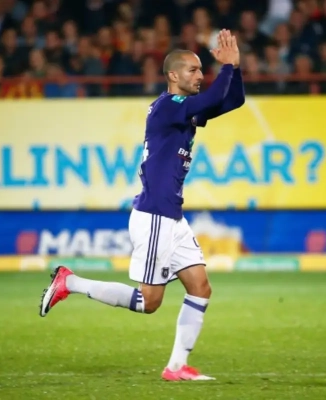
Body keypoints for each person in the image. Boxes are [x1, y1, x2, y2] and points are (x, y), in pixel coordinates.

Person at [38, 29, 244, 381]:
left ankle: (176, 368)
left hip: (172, 217)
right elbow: (213, 97)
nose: (200, 75)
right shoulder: (168, 107)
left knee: (200, 287)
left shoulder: (184, 111)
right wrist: (225, 68)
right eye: (193, 70)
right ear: (173, 75)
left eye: (201, 70)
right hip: (154, 217)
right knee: (149, 302)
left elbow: (232, 100)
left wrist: (235, 68)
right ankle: (69, 283)